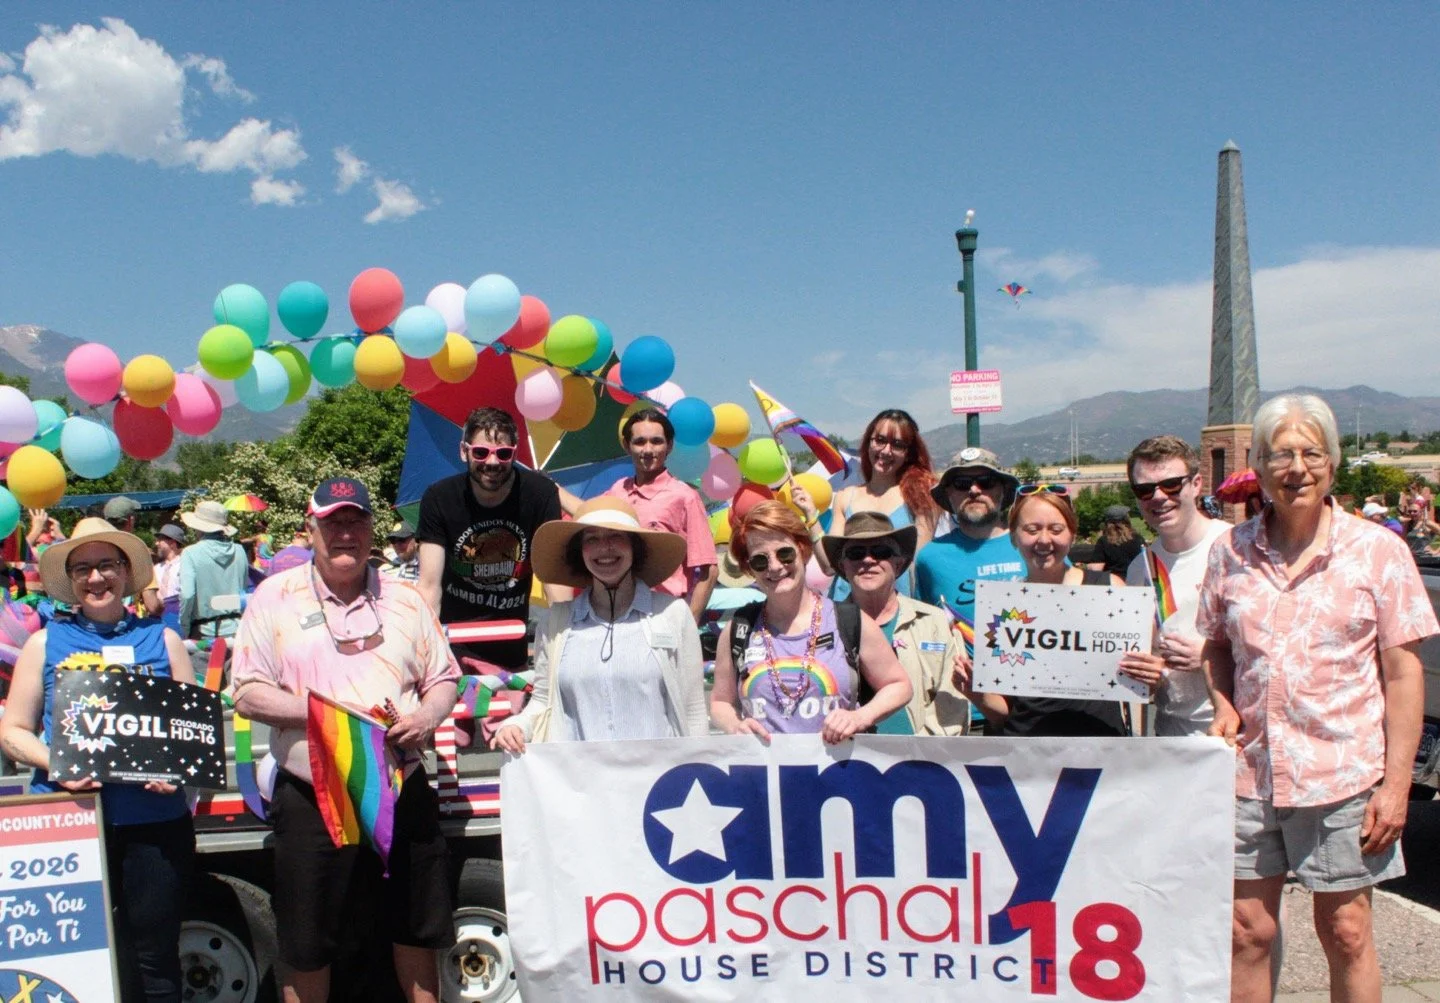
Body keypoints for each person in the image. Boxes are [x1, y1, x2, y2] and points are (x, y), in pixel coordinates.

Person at [1199, 393, 1439, 1003]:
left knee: (1348, 930)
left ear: (1332, 464)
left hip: (1343, 776)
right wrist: (1221, 700)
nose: (1297, 467)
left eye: (1312, 452)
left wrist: (1396, 784)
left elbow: (1404, 674)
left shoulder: (1378, 551)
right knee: (1246, 932)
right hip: (1250, 775)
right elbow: (1214, 645)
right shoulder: (1229, 552)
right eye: (1281, 453)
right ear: (1259, 464)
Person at [230, 477, 460, 1003]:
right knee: (308, 944)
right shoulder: (274, 597)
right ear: (311, 528)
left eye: (355, 521)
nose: (345, 534)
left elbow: (444, 678)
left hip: (401, 787)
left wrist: (426, 716)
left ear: (371, 530)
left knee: (416, 931)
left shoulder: (406, 599)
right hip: (313, 796)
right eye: (333, 522)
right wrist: (327, 718)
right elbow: (246, 693)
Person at [0, 518, 196, 1002]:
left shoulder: (165, 641)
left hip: (153, 824)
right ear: (71, 580)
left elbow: (195, 736)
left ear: (126, 573)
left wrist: (177, 770)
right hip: (69, 827)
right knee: (75, 961)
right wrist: (58, 763)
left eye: (106, 565)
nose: (96, 578)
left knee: (155, 960)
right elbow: (12, 732)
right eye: (83, 568)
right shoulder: (45, 644)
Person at [492, 497, 706, 751]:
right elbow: (542, 700)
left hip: (659, 781)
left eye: (616, 536)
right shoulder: (555, 623)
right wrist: (517, 726)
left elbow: (693, 708)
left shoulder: (672, 614)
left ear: (635, 548)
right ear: (579, 552)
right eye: (591, 539)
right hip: (581, 784)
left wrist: (699, 768)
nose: (604, 548)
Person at [710, 501, 911, 742]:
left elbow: (899, 685)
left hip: (839, 771)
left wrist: (860, 717)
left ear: (803, 550)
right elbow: (720, 702)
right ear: (749, 569)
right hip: (767, 775)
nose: (775, 567)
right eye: (760, 561)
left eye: (785, 554)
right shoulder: (738, 629)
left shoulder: (849, 621)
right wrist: (734, 725)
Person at [960, 485, 1133, 737]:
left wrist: (1151, 673)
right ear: (1014, 537)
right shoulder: (1003, 605)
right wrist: (975, 694)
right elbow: (1005, 710)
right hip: (1026, 752)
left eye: (1056, 529)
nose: (1043, 540)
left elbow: (1140, 684)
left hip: (1100, 747)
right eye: (1032, 529)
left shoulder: (1111, 590)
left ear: (1072, 534)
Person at [417, 407, 563, 672]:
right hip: (455, 646)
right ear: (464, 451)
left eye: (503, 453)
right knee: (474, 712)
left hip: (511, 643)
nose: (492, 463)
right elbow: (429, 586)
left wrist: (564, 640)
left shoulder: (540, 494)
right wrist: (423, 654)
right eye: (481, 452)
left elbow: (554, 577)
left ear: (514, 454)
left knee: (510, 711)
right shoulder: (439, 498)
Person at [1118, 435, 1229, 737]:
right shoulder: (1140, 567)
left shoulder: (1235, 548)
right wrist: (1146, 674)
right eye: (1144, 490)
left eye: (1171, 485)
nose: (1158, 497)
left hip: (1235, 730)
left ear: (1196, 484)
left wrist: (1211, 657)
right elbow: (1140, 658)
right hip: (1171, 731)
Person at [822, 512, 970, 735]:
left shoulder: (935, 622)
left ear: (899, 562)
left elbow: (952, 702)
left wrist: (914, 759)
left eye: (881, 552)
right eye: (855, 553)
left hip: (920, 759)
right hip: (844, 759)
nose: (868, 560)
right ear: (843, 566)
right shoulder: (823, 625)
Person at [913, 447, 1026, 685]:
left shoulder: (1032, 546)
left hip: (1029, 701)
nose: (974, 490)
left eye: (986, 481)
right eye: (962, 483)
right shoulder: (929, 558)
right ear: (949, 495)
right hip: (962, 704)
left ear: (1003, 491)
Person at [803, 409, 942, 597]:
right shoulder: (845, 497)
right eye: (880, 440)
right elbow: (829, 566)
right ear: (868, 442)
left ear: (908, 453)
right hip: (846, 610)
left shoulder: (921, 496)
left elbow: (916, 566)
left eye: (898, 444)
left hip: (897, 609)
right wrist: (811, 516)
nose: (886, 450)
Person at [603, 408, 718, 621]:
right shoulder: (618, 490)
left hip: (664, 613)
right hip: (618, 613)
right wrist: (550, 488)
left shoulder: (685, 496)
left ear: (670, 446)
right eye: (639, 442)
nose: (648, 449)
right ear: (627, 446)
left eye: (656, 441)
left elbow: (708, 570)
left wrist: (689, 624)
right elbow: (587, 513)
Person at [179, 499, 248, 641]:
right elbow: (243, 591)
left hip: (204, 632)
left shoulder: (190, 553)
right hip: (237, 629)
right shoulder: (240, 551)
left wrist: (185, 627)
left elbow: (187, 595)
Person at [1086, 504, 1143, 578]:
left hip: (1113, 583)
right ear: (1126, 520)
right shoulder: (1137, 538)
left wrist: (1086, 567)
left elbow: (1096, 568)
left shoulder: (1103, 541)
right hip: (1136, 581)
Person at [153, 522, 186, 632]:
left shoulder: (185, 565)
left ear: (172, 542)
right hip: (159, 620)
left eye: (160, 540)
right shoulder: (156, 568)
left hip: (178, 619)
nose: (156, 543)